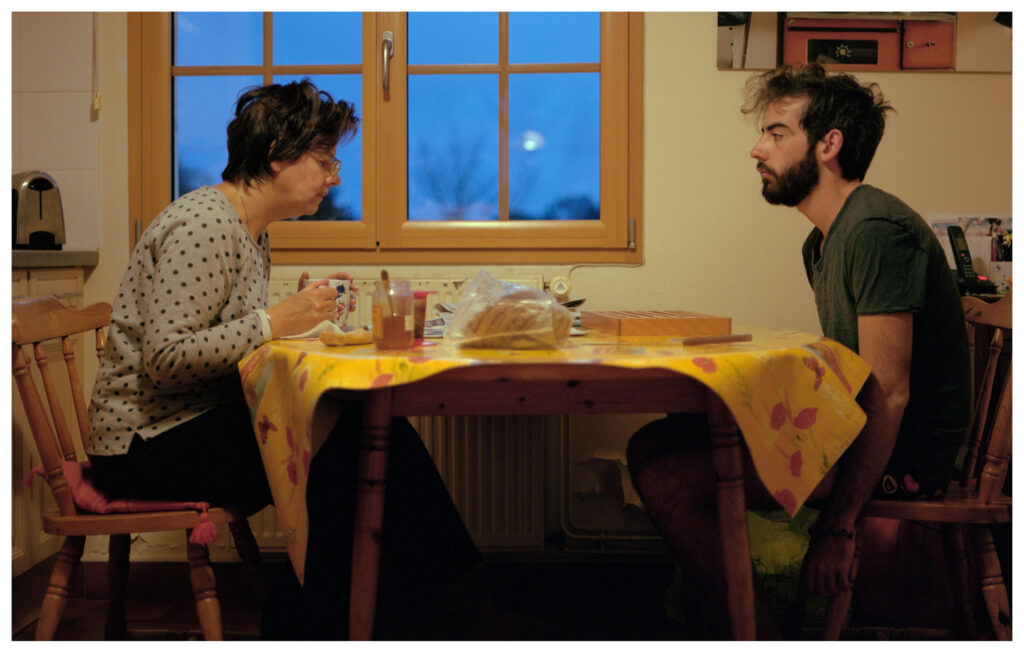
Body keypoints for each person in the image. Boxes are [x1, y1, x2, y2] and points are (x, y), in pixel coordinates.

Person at [86, 79, 485, 639]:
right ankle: (429, 606)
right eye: (324, 161)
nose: (334, 177)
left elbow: (225, 334)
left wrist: (297, 313)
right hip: (144, 444)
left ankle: (381, 612)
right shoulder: (204, 223)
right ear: (277, 157)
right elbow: (167, 358)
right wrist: (275, 321)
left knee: (361, 425)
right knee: (353, 443)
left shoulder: (252, 231)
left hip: (184, 424)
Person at [626, 64, 971, 638]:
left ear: (828, 145)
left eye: (776, 133)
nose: (757, 149)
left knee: (669, 478)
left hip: (905, 459)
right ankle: (733, 621)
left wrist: (838, 527)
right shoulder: (822, 241)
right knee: (653, 442)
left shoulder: (875, 231)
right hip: (857, 434)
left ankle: (756, 634)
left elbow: (889, 393)